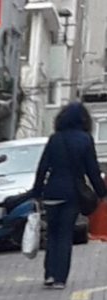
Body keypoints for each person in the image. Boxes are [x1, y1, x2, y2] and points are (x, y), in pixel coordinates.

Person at [33, 100, 106, 288]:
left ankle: (48, 274)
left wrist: (36, 192)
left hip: (52, 192)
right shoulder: (85, 139)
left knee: (52, 233)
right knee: (65, 234)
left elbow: (42, 167)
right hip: (72, 193)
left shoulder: (55, 139)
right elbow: (92, 170)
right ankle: (59, 278)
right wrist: (102, 193)